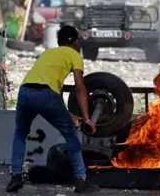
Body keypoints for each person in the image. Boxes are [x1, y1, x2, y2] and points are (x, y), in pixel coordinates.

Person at [6, 25, 97, 193]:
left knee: (20, 133)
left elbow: (55, 94)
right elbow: (80, 87)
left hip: (25, 91)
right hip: (46, 94)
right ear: (76, 42)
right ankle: (81, 180)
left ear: (58, 41)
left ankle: (16, 177)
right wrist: (87, 118)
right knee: (70, 135)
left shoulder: (47, 53)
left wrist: (68, 114)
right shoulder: (74, 55)